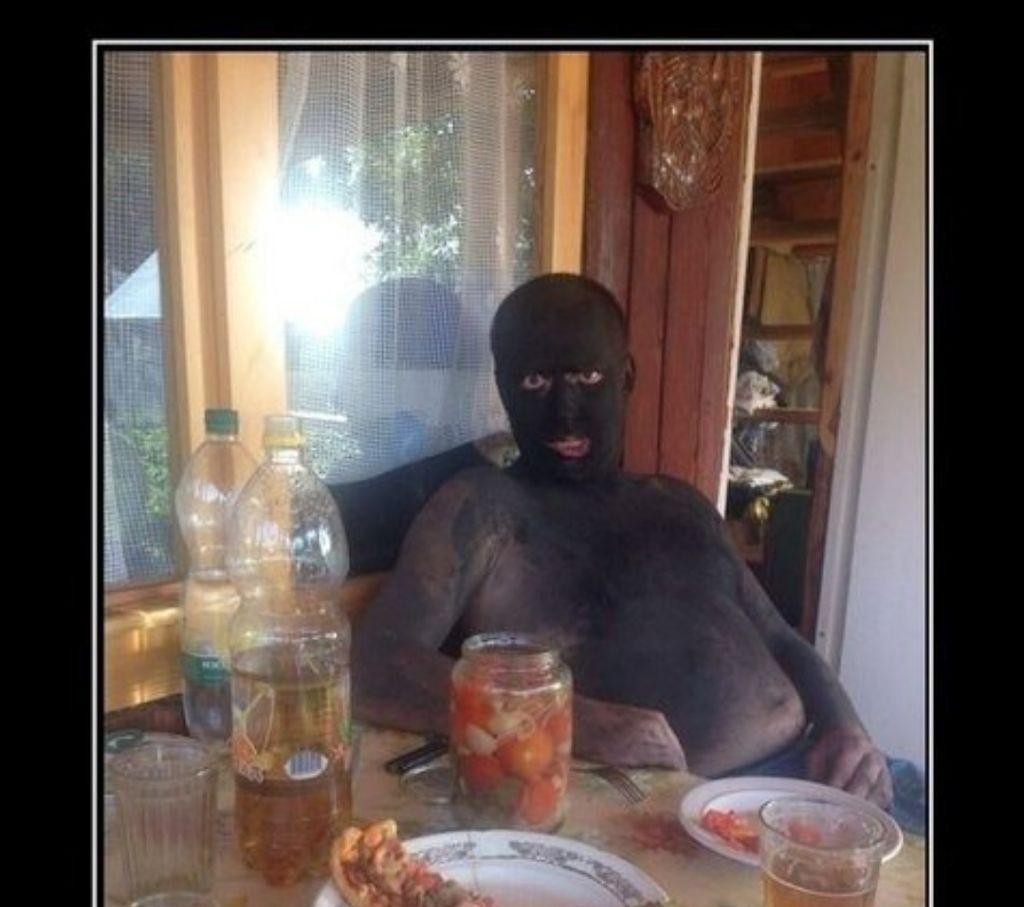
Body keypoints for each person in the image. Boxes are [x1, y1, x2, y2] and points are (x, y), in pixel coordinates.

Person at [352, 273, 893, 808]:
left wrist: (846, 727)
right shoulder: (482, 506)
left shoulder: (680, 503)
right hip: (663, 807)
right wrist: (573, 722)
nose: (564, 413)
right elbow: (374, 666)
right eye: (535, 382)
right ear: (504, 387)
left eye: (588, 377)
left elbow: (781, 639)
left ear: (626, 377)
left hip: (810, 773)